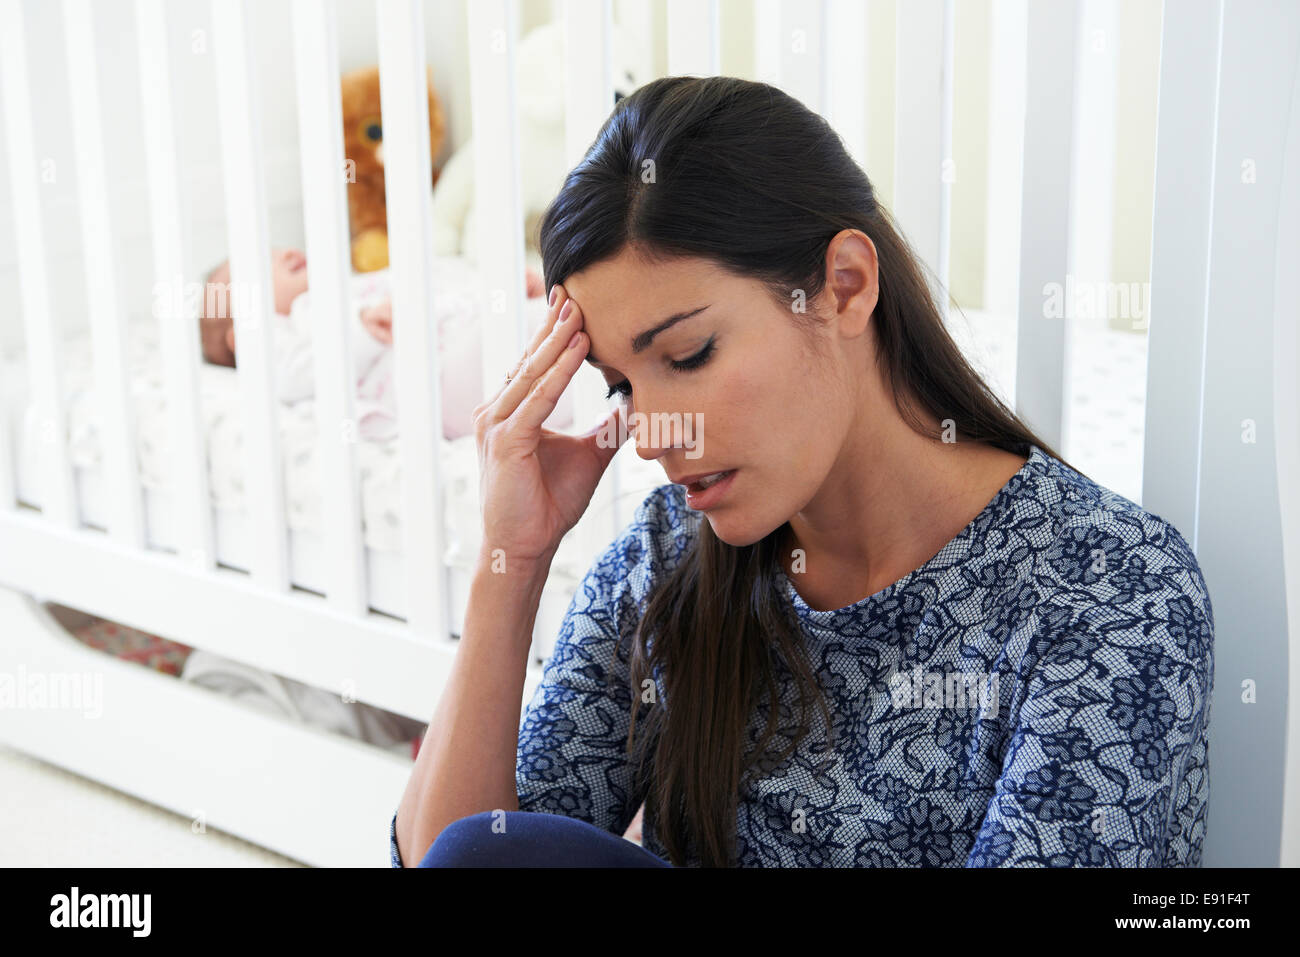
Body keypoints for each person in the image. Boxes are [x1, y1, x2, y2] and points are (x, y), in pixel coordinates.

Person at [391, 76, 1215, 868]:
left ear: (844, 286)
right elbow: (459, 857)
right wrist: (513, 560)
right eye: (621, 386)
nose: (649, 434)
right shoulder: (667, 559)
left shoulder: (1110, 588)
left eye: (688, 353)